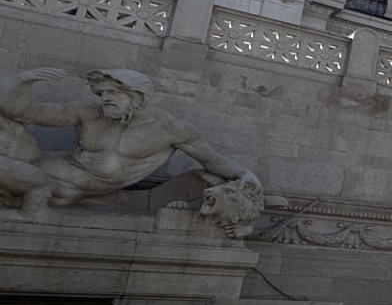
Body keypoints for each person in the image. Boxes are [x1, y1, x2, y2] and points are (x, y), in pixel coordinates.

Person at [0, 68, 253, 216]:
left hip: (60, 188)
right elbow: (20, 113)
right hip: (38, 168)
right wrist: (23, 82)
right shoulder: (90, 112)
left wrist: (248, 178)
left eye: (112, 93)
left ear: (137, 96)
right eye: (101, 93)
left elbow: (212, 160)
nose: (104, 99)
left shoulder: (171, 130)